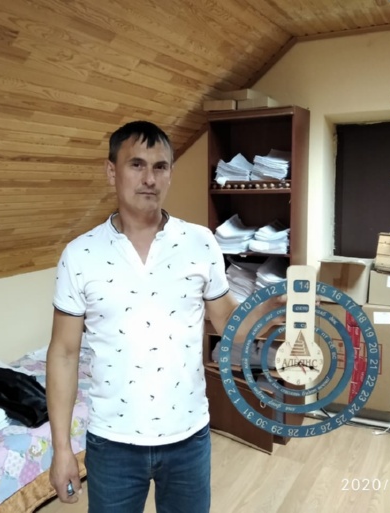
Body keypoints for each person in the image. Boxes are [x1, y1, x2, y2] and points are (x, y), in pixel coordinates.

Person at [46, 120, 247, 513]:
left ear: (170, 173)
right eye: (136, 165)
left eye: (160, 166)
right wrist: (61, 449)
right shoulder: (80, 254)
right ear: (112, 171)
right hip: (112, 443)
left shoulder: (200, 242)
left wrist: (276, 321)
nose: (150, 178)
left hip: (188, 436)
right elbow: (64, 353)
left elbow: (226, 320)